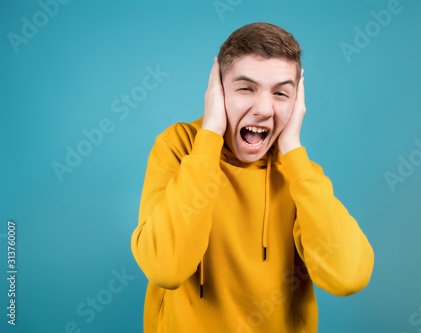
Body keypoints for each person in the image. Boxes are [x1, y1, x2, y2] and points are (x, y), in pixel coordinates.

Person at [131, 22, 374, 333]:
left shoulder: (299, 172)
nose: (263, 110)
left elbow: (348, 277)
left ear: (297, 101)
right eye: (246, 88)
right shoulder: (180, 147)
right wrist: (210, 135)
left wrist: (292, 149)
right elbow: (165, 268)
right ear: (217, 91)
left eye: (281, 93)